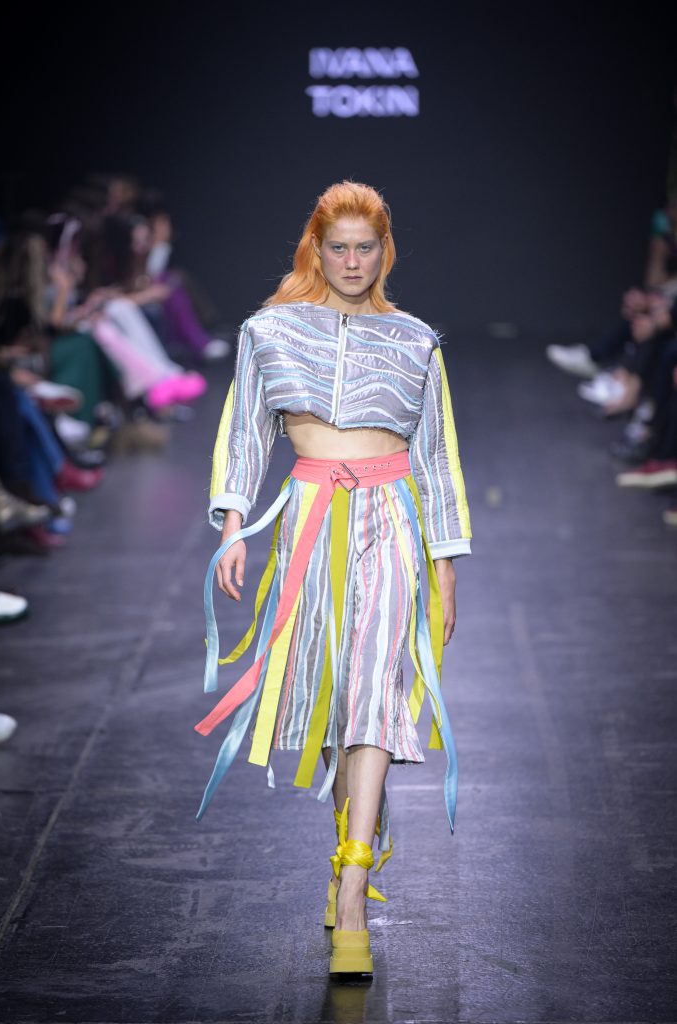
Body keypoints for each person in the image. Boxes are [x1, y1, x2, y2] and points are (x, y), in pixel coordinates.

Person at [194, 181, 472, 976]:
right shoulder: (269, 331)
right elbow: (245, 432)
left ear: (385, 251)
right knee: (329, 698)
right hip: (307, 522)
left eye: (366, 247)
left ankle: (352, 887)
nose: (353, 262)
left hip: (392, 522)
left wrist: (445, 567)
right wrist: (232, 527)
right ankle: (349, 844)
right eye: (339, 247)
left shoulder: (414, 340)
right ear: (315, 249)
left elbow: (437, 457)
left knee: (376, 689)